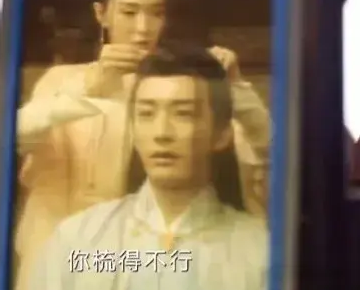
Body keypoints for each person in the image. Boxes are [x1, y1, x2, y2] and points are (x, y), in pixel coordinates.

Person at [14, 0, 270, 289]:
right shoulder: (64, 81)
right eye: (130, 12)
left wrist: (236, 90)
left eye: (156, 13)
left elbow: (264, 156)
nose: (143, 28)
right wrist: (89, 90)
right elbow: (9, 141)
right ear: (101, 13)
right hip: (62, 253)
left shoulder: (171, 83)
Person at [29, 47, 268, 290]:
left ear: (222, 134)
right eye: (146, 114)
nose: (161, 133)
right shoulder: (79, 240)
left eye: (183, 114)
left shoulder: (259, 252)